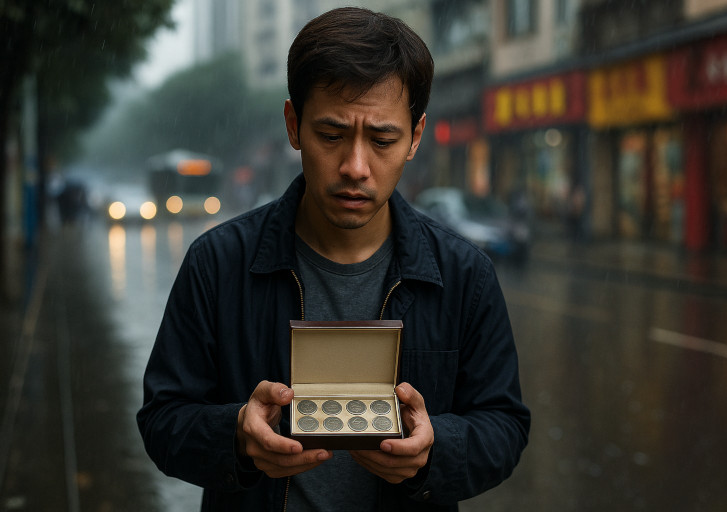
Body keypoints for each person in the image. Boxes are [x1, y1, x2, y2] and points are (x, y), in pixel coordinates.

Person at [137, 7, 529, 511]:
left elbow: (504, 424)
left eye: (383, 139)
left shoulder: (463, 276)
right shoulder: (218, 263)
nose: (355, 167)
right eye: (331, 135)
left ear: (415, 136)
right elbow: (163, 419)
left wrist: (433, 450)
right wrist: (236, 434)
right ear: (293, 125)